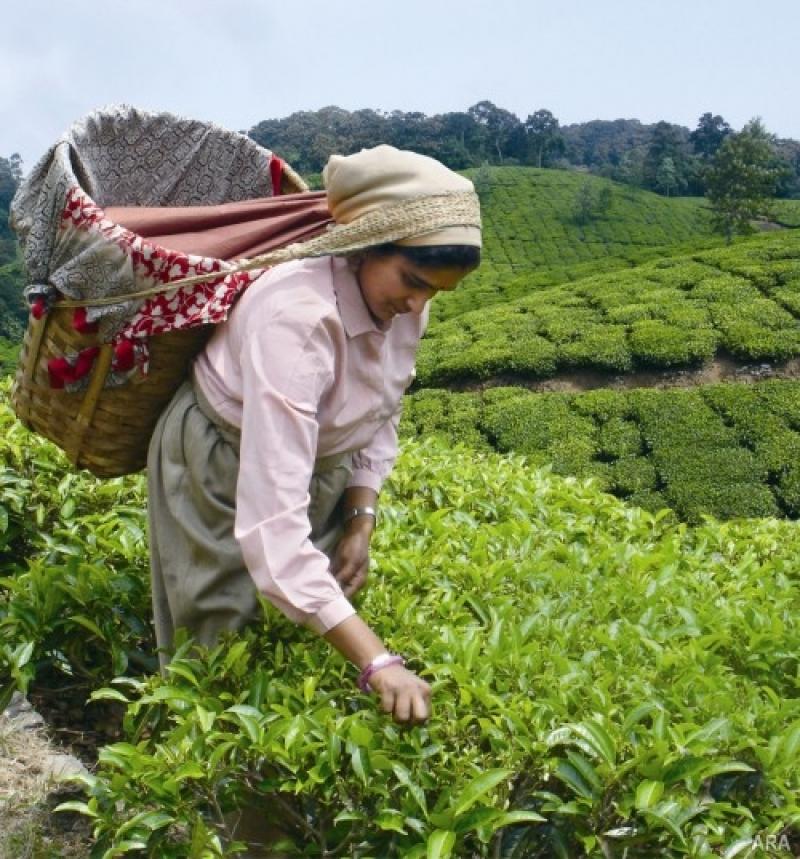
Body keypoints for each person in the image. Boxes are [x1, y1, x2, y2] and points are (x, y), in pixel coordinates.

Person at [146, 144, 481, 731]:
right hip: (221, 461)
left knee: (300, 639)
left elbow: (382, 405)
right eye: (412, 282)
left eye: (434, 292)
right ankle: (215, 805)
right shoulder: (295, 320)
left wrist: (360, 517)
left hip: (320, 463)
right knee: (220, 642)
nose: (417, 304)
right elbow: (273, 529)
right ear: (364, 246)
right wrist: (378, 663)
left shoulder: (403, 304)